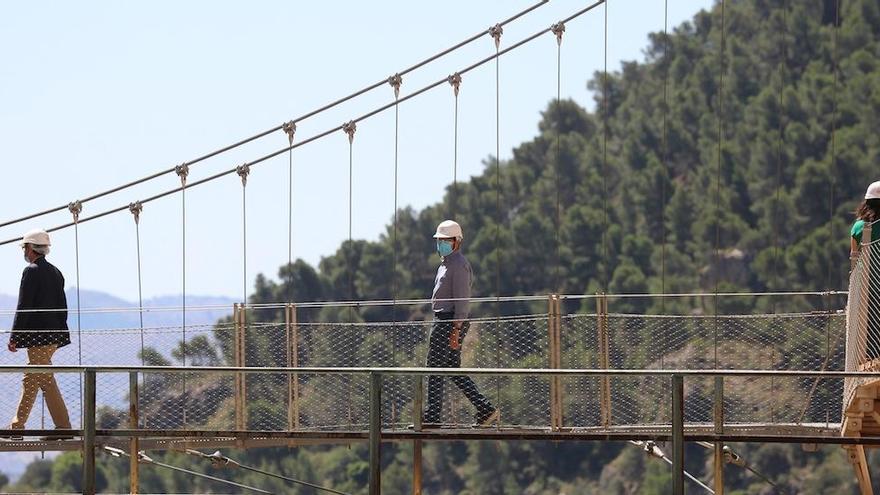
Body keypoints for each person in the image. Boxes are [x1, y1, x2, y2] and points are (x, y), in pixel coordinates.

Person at [425, 220, 499, 428]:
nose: (441, 244)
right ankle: (485, 408)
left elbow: (462, 300)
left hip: (448, 321)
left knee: (434, 369)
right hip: (446, 320)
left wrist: (456, 330)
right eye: (439, 240)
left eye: (445, 240)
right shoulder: (446, 264)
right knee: (450, 368)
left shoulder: (458, 265)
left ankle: (432, 418)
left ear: (457, 242)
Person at [6, 229, 72, 438]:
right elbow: (63, 306)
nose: (24, 252)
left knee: (37, 377)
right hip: (52, 335)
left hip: (38, 336)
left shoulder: (31, 271)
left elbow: (24, 306)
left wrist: (15, 336)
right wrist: (60, 333)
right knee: (37, 378)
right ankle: (22, 427)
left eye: (25, 247)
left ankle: (59, 428)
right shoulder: (56, 272)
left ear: (30, 248)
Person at [851, 181, 880, 362]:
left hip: (866, 286)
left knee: (868, 327)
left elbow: (854, 259)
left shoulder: (858, 227)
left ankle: (869, 358)